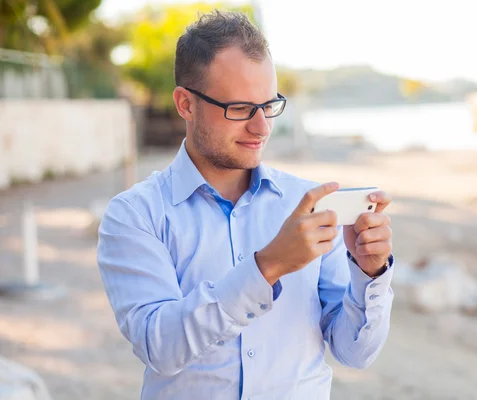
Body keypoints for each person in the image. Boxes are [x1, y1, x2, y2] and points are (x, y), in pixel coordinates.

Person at [97, 10, 394, 400]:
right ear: (186, 104)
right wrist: (267, 265)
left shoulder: (306, 205)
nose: (262, 128)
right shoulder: (134, 215)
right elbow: (160, 348)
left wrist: (369, 274)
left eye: (268, 105)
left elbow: (355, 353)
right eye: (239, 109)